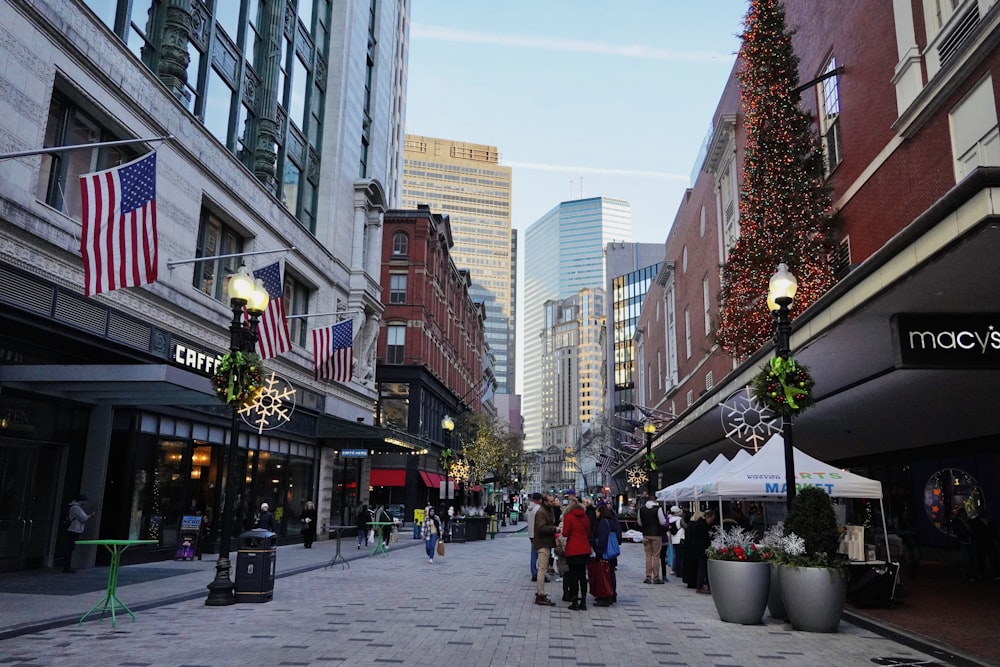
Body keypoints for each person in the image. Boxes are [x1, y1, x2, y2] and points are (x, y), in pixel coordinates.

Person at [561, 496, 592, 610]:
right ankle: (583, 601)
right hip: (584, 549)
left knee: (573, 576)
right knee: (582, 576)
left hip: (573, 549)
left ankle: (574, 600)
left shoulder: (569, 517)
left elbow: (565, 533)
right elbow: (588, 531)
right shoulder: (585, 517)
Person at [592, 502, 622, 606]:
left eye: (596, 511)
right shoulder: (612, 520)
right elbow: (619, 536)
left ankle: (606, 596)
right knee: (611, 573)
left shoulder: (603, 522)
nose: (595, 513)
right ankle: (612, 594)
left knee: (605, 574)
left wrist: (599, 551)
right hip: (612, 552)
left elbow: (603, 539)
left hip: (605, 552)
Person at [533, 493, 559, 606]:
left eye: (553, 501)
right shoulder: (542, 512)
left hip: (546, 543)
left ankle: (540, 593)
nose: (553, 503)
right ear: (545, 502)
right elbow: (541, 528)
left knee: (542, 569)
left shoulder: (548, 510)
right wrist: (555, 529)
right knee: (542, 569)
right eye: (551, 501)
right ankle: (540, 594)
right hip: (542, 543)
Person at [637, 493, 668, 584]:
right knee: (656, 556)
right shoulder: (658, 509)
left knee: (648, 556)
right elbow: (662, 522)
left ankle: (648, 576)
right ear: (655, 500)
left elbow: (639, 522)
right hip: (656, 534)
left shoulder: (641, 509)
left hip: (646, 534)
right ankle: (656, 577)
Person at [684, 509, 716, 593]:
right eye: (711, 519)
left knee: (702, 567)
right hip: (701, 549)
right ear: (708, 517)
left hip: (697, 549)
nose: (711, 521)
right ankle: (700, 586)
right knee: (702, 567)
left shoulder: (696, 524)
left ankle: (702, 585)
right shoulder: (702, 525)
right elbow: (705, 538)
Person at [63, 493, 95, 573]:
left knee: (69, 548)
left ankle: (67, 566)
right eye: (84, 501)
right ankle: (66, 567)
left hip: (73, 529)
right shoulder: (76, 508)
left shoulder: (74, 507)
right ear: (81, 501)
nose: (85, 503)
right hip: (74, 529)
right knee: (69, 549)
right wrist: (90, 515)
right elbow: (84, 518)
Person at [525, 492, 543, 581]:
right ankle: (538, 573)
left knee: (533, 554)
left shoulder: (529, 509)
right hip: (538, 534)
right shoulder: (538, 509)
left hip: (531, 534)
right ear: (538, 500)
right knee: (541, 554)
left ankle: (533, 572)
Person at [667, 505, 686, 577]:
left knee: (676, 555)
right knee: (682, 556)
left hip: (673, 539)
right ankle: (680, 571)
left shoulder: (669, 519)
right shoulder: (680, 519)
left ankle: (674, 569)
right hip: (680, 538)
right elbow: (685, 526)